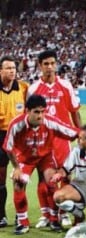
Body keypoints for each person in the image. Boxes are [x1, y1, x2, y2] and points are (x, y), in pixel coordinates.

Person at [3, 95, 78, 234]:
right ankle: (22, 222)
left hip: (45, 157)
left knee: (52, 181)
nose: (40, 115)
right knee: (18, 184)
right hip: (25, 158)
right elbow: (8, 147)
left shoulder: (50, 121)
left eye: (43, 111)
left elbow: (72, 132)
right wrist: (17, 168)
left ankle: (54, 220)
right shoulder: (16, 124)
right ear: (27, 111)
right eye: (36, 112)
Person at [28, 50, 82, 227]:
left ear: (56, 64)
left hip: (61, 140)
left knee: (65, 176)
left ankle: (64, 212)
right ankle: (45, 213)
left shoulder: (65, 85)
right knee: (43, 178)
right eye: (46, 64)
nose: (49, 67)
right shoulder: (34, 89)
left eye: (52, 63)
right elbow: (27, 116)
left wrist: (79, 133)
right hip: (42, 140)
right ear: (40, 66)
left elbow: (74, 111)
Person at [0, 55, 28, 228]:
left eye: (14, 68)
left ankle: (20, 215)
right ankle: (1, 216)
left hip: (19, 136)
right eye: (8, 68)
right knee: (0, 179)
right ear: (0, 70)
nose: (12, 71)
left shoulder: (24, 88)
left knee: (21, 177)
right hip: (0, 136)